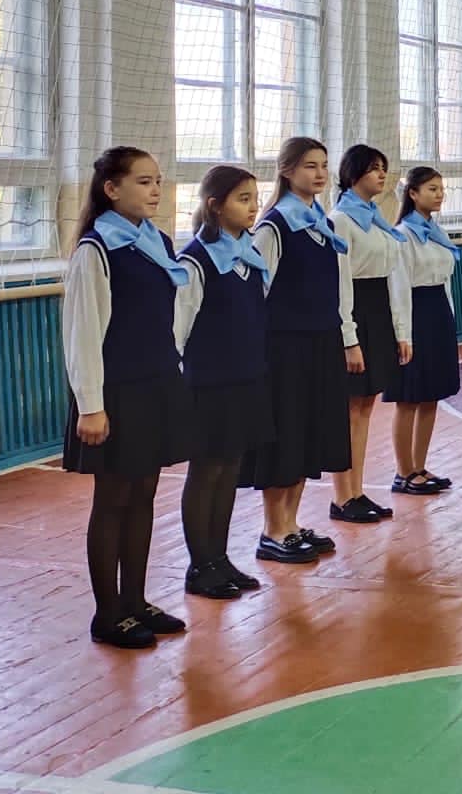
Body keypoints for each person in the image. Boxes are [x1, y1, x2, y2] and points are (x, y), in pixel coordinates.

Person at [62, 147, 191, 648]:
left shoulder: (158, 241)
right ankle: (107, 614)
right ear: (111, 189)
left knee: (144, 495)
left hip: (156, 384)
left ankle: (135, 601)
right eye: (143, 181)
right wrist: (91, 405)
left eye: (158, 180)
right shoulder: (96, 250)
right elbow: (82, 335)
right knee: (113, 500)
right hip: (116, 392)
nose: (155, 190)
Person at [242, 136, 352, 564]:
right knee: (285, 434)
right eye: (310, 166)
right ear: (287, 171)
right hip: (284, 347)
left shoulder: (322, 224)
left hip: (321, 341)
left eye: (324, 165)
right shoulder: (274, 226)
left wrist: (345, 336)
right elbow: (256, 291)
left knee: (308, 432)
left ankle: (291, 522)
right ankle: (273, 528)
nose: (320, 173)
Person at [175, 164, 272, 600]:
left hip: (246, 378)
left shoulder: (249, 256)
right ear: (215, 206)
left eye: (255, 198)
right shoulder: (194, 261)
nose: (253, 208)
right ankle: (200, 565)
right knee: (206, 470)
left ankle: (219, 558)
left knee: (230, 467)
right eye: (242, 199)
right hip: (209, 384)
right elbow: (177, 331)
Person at [327, 144, 413, 525]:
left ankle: (357, 490)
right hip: (355, 312)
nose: (382, 175)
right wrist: (349, 337)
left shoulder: (377, 220)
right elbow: (341, 283)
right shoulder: (340, 221)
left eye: (384, 168)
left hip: (377, 312)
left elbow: (392, 276)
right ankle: (342, 496)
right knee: (349, 410)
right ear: (353, 173)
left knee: (365, 409)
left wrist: (400, 330)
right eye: (374, 168)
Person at [388, 166, 462, 496]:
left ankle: (419, 466)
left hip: (438, 313)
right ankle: (403, 472)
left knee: (431, 394)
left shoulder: (437, 232)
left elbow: (445, 281)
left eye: (441, 188)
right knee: (408, 397)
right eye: (432, 188)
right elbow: (399, 287)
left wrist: (450, 319)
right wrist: (403, 334)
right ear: (413, 193)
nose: (439, 194)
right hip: (415, 313)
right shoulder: (403, 235)